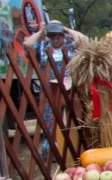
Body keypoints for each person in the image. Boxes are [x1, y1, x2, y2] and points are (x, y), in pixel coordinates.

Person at [22, 20, 88, 157]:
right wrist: (41, 30)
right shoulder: (43, 48)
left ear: (62, 36)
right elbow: (27, 44)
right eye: (52, 36)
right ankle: (53, 147)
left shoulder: (70, 47)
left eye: (58, 36)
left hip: (69, 88)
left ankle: (72, 144)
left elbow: (83, 39)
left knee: (70, 115)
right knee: (50, 116)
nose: (55, 39)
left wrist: (65, 28)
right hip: (49, 89)